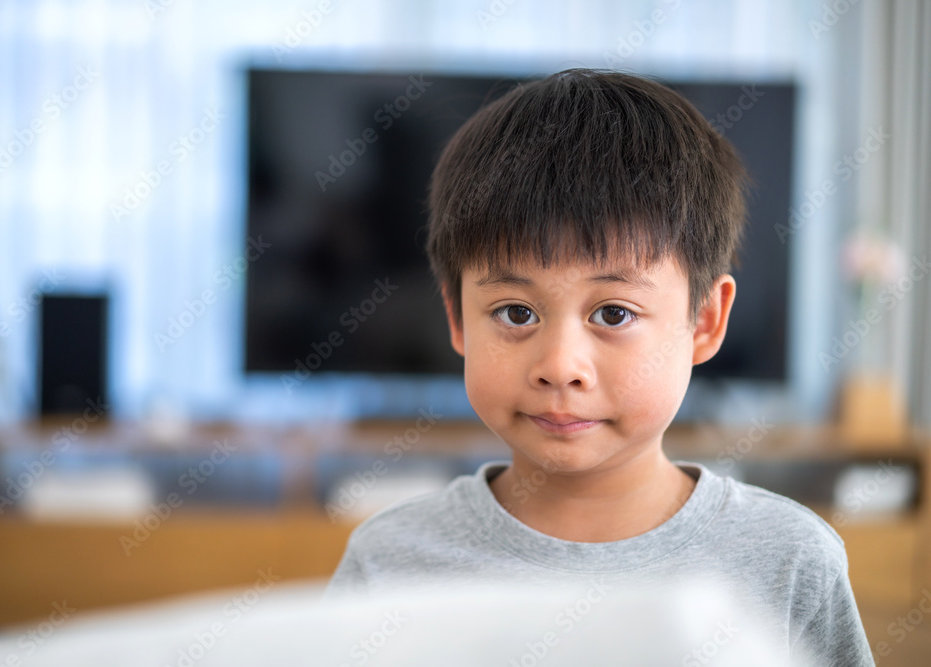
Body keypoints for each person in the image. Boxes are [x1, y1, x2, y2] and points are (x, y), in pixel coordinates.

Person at [324, 69, 875, 666]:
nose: (560, 367)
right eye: (515, 311)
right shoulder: (390, 558)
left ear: (706, 322)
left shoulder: (788, 559)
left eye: (614, 313)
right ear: (457, 317)